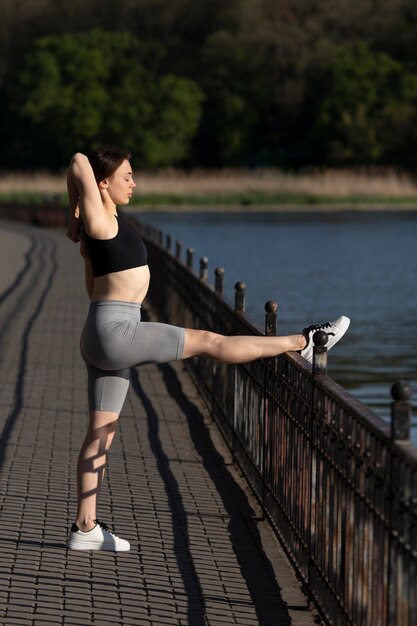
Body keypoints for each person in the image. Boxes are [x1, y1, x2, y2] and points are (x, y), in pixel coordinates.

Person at [65, 146, 350, 552]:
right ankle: (304, 341)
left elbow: (93, 288)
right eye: (126, 175)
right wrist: (72, 212)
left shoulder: (105, 224)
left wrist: (76, 221)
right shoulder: (97, 220)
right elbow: (78, 159)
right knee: (209, 341)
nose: (134, 182)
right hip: (117, 328)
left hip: (100, 330)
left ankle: (85, 527)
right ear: (103, 183)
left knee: (101, 432)